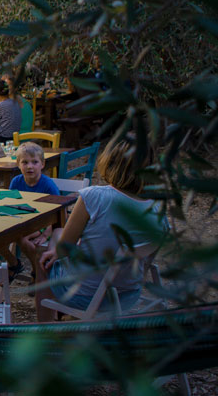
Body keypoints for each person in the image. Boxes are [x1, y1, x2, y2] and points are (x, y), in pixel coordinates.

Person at [34, 138, 164, 322]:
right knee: (57, 236)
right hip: (129, 295)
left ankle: (45, 333)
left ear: (110, 162)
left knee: (44, 258)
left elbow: (64, 250)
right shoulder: (158, 207)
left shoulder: (95, 196)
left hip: (87, 296)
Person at [0, 142, 61, 281]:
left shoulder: (47, 185)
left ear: (42, 164)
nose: (29, 166)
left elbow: (59, 211)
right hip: (21, 221)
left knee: (22, 239)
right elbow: (9, 204)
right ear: (18, 164)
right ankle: (13, 263)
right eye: (25, 162)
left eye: (34, 162)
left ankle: (36, 273)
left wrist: (45, 233)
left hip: (43, 224)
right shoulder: (16, 182)